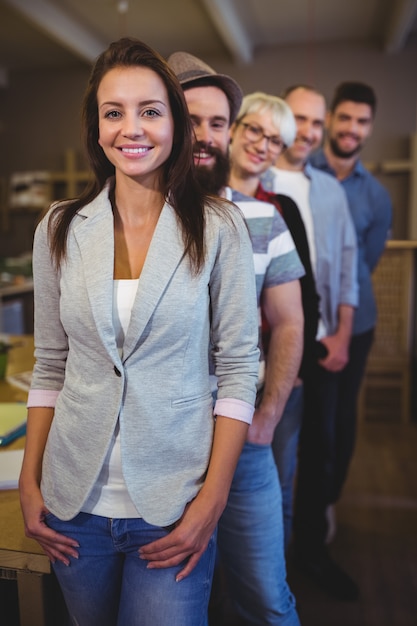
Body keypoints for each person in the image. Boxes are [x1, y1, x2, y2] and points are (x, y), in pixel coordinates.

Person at [18, 37, 261, 626]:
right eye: (114, 112)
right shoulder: (60, 228)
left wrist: (213, 499)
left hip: (172, 504)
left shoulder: (219, 226)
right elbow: (51, 363)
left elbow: (238, 368)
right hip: (74, 505)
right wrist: (30, 481)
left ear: (175, 122)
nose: (132, 128)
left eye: (150, 110)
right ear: (96, 126)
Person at [168, 51, 304, 626]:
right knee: (178, 605)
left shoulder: (262, 219)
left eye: (218, 123)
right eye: (191, 119)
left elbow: (292, 321)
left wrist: (269, 412)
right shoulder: (133, 222)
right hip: (164, 452)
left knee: (266, 598)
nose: (205, 136)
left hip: (245, 447)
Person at [261, 85, 360, 601]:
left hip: (325, 344)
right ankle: (267, 569)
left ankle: (311, 555)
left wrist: (342, 332)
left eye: (317, 123)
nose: (310, 131)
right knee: (280, 462)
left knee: (321, 454)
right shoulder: (260, 178)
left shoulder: (329, 188)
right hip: (281, 345)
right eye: (300, 119)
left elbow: (346, 265)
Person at [228, 91, 321, 552]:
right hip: (217, 384)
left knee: (274, 489)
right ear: (233, 128)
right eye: (255, 130)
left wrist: (292, 377)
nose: (264, 144)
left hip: (273, 377)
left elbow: (304, 302)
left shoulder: (279, 210)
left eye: (276, 140)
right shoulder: (195, 199)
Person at [309, 81, 392, 522]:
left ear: (369, 127)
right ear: (330, 121)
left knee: (340, 420)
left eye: (362, 121)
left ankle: (327, 502)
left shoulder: (376, 196)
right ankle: (302, 501)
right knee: (309, 421)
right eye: (345, 118)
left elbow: (368, 262)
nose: (352, 129)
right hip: (305, 320)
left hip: (354, 325)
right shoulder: (303, 171)